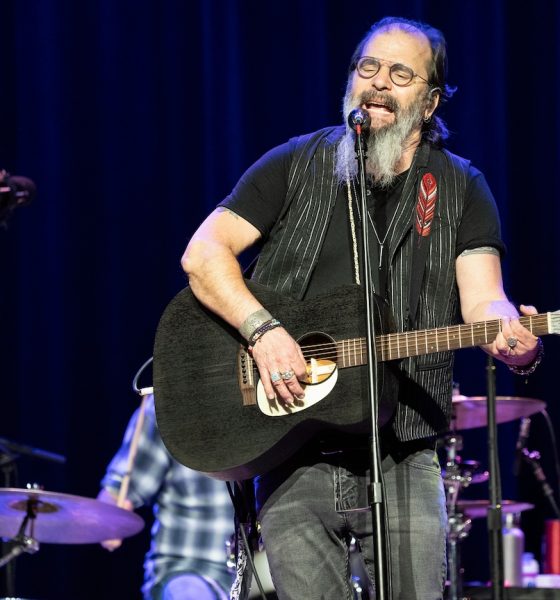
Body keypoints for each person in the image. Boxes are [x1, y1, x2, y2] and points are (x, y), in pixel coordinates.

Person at [180, 16, 543, 600]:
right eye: (367, 67)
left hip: (405, 454)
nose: (377, 83)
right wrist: (262, 330)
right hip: (289, 448)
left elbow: (485, 300)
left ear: (428, 103)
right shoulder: (293, 163)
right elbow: (204, 253)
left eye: (400, 74)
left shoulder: (459, 188)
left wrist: (513, 337)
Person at [98, 393, 234, 600]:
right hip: (192, 568)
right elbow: (117, 490)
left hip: (267, 568)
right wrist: (108, 518)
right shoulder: (166, 405)